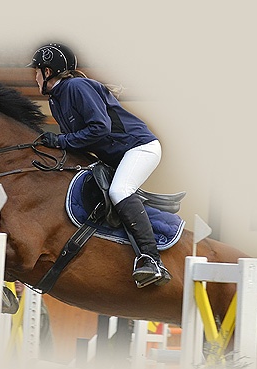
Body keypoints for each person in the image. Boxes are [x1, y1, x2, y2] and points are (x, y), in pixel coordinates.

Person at [28, 43, 171, 288]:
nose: (35, 77)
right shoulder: (56, 100)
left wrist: (60, 141)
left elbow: (99, 128)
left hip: (139, 147)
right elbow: (78, 141)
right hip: (116, 156)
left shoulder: (76, 87)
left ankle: (152, 260)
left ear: (48, 72)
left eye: (37, 72)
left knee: (119, 191)